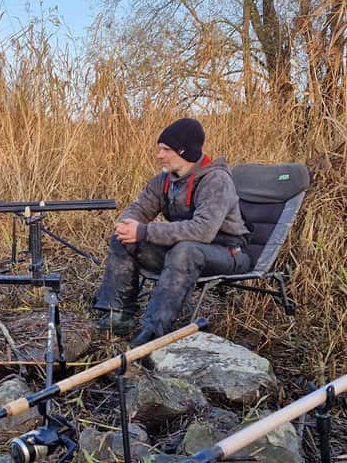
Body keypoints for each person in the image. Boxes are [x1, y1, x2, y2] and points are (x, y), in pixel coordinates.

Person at [94, 118, 250, 347]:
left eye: (166, 150)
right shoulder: (164, 180)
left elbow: (203, 231)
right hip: (183, 250)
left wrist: (145, 231)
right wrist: (127, 225)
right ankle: (117, 315)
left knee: (184, 251)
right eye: (160, 149)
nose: (159, 155)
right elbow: (140, 208)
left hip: (228, 252)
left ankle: (154, 331)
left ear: (184, 152)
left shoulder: (216, 180)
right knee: (124, 239)